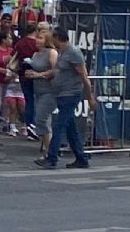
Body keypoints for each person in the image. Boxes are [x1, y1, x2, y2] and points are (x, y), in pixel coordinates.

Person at [35, 27, 95, 170]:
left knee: (59, 126)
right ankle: (81, 158)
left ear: (57, 37)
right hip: (61, 94)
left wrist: (90, 97)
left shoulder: (73, 52)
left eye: (52, 38)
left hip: (70, 94)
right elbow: (60, 71)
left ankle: (52, 158)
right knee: (70, 128)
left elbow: (84, 76)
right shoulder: (63, 52)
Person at [24, 30, 59, 154]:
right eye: (36, 38)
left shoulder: (52, 53)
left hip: (49, 91)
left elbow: (56, 71)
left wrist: (39, 75)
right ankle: (47, 147)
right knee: (44, 120)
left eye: (40, 38)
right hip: (37, 91)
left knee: (41, 119)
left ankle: (51, 151)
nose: (37, 41)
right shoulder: (35, 54)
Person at [13, 23, 40, 140]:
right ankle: (35, 126)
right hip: (37, 75)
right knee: (37, 101)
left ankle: (29, 125)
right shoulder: (37, 44)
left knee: (29, 101)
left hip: (23, 75)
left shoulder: (20, 43)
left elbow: (13, 56)